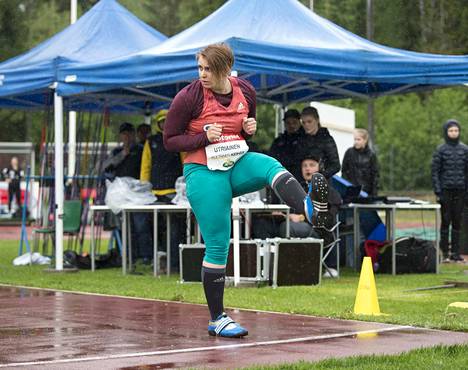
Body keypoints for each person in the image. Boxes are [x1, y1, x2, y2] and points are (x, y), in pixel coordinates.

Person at [164, 43, 332, 338]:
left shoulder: (246, 91)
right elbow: (170, 140)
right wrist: (202, 136)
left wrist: (248, 128)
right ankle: (217, 318)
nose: (202, 74)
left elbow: (242, 130)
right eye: (200, 68)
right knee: (218, 242)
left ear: (225, 70)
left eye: (208, 69)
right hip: (203, 170)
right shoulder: (188, 97)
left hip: (236, 160)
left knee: (270, 165)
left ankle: (308, 207)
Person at [140, 109, 185, 270]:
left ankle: (174, 264)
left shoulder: (179, 140)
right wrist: (144, 187)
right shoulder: (151, 141)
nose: (165, 124)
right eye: (162, 121)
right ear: (158, 123)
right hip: (153, 194)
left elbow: (185, 162)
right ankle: (152, 259)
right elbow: (145, 166)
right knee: (150, 228)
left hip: (174, 194)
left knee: (174, 230)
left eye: (167, 121)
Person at [103, 122, 152, 266]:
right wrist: (123, 155)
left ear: (133, 134)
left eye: (129, 133)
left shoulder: (141, 149)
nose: (127, 137)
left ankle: (145, 256)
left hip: (138, 194)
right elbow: (104, 167)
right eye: (124, 134)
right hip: (121, 195)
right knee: (124, 227)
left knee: (141, 225)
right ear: (121, 136)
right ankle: (128, 255)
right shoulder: (116, 152)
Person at [431, 119, 467, 262]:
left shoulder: (465, 150)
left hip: (460, 191)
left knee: (457, 222)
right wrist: (438, 191)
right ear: (446, 132)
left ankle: (456, 254)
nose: (454, 133)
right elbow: (435, 172)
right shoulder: (440, 150)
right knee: (445, 221)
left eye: (456, 130)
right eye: (451, 130)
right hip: (445, 190)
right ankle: (445, 253)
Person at [297, 107, 341, 180]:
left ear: (317, 120)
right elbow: (297, 162)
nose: (306, 125)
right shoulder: (300, 139)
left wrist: (320, 176)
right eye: (304, 122)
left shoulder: (326, 139)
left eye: (309, 121)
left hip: (322, 183)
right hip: (302, 183)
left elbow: (336, 166)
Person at [342, 128, 379, 196]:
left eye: (358, 139)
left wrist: (374, 194)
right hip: (351, 190)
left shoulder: (371, 155)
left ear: (365, 140)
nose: (356, 141)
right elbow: (344, 171)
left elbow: (375, 176)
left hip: (366, 192)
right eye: (355, 139)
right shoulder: (349, 152)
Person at [269, 109, 303, 180]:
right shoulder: (279, 141)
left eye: (294, 122)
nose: (291, 125)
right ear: (284, 123)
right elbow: (271, 159)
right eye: (288, 123)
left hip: (301, 178)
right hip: (282, 177)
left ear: (300, 122)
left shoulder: (305, 138)